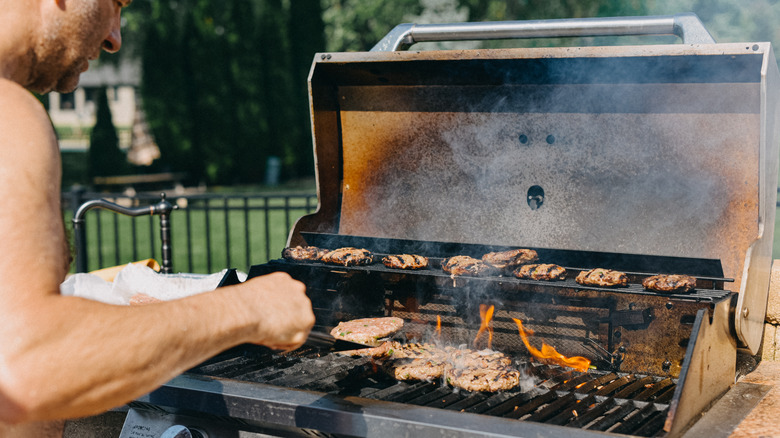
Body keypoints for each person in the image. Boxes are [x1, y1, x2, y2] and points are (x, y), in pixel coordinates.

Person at [0, 0, 315, 435]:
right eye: (116, 4)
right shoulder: (8, 113)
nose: (115, 37)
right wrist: (247, 308)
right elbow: (26, 361)